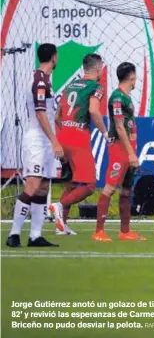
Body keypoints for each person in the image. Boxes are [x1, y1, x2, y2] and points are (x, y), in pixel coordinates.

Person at [6, 44, 62, 248]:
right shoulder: (39, 80)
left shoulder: (45, 80)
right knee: (32, 184)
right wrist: (54, 140)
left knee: (43, 187)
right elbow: (39, 113)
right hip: (37, 140)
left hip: (45, 140)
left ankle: (35, 235)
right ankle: (14, 234)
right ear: (54, 58)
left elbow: (46, 111)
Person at [50, 54, 107, 236]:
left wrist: (64, 131)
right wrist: (105, 133)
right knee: (89, 185)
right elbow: (93, 111)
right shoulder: (96, 87)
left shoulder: (70, 86)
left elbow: (57, 116)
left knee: (73, 183)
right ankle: (60, 205)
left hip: (63, 136)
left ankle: (62, 226)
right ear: (98, 69)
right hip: (78, 138)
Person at [93, 62, 146, 242]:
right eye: (136, 76)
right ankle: (99, 231)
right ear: (131, 77)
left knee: (126, 190)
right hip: (120, 149)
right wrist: (130, 153)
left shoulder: (126, 97)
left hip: (129, 147)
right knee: (110, 188)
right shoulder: (117, 98)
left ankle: (125, 231)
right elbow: (119, 127)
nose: (136, 79)